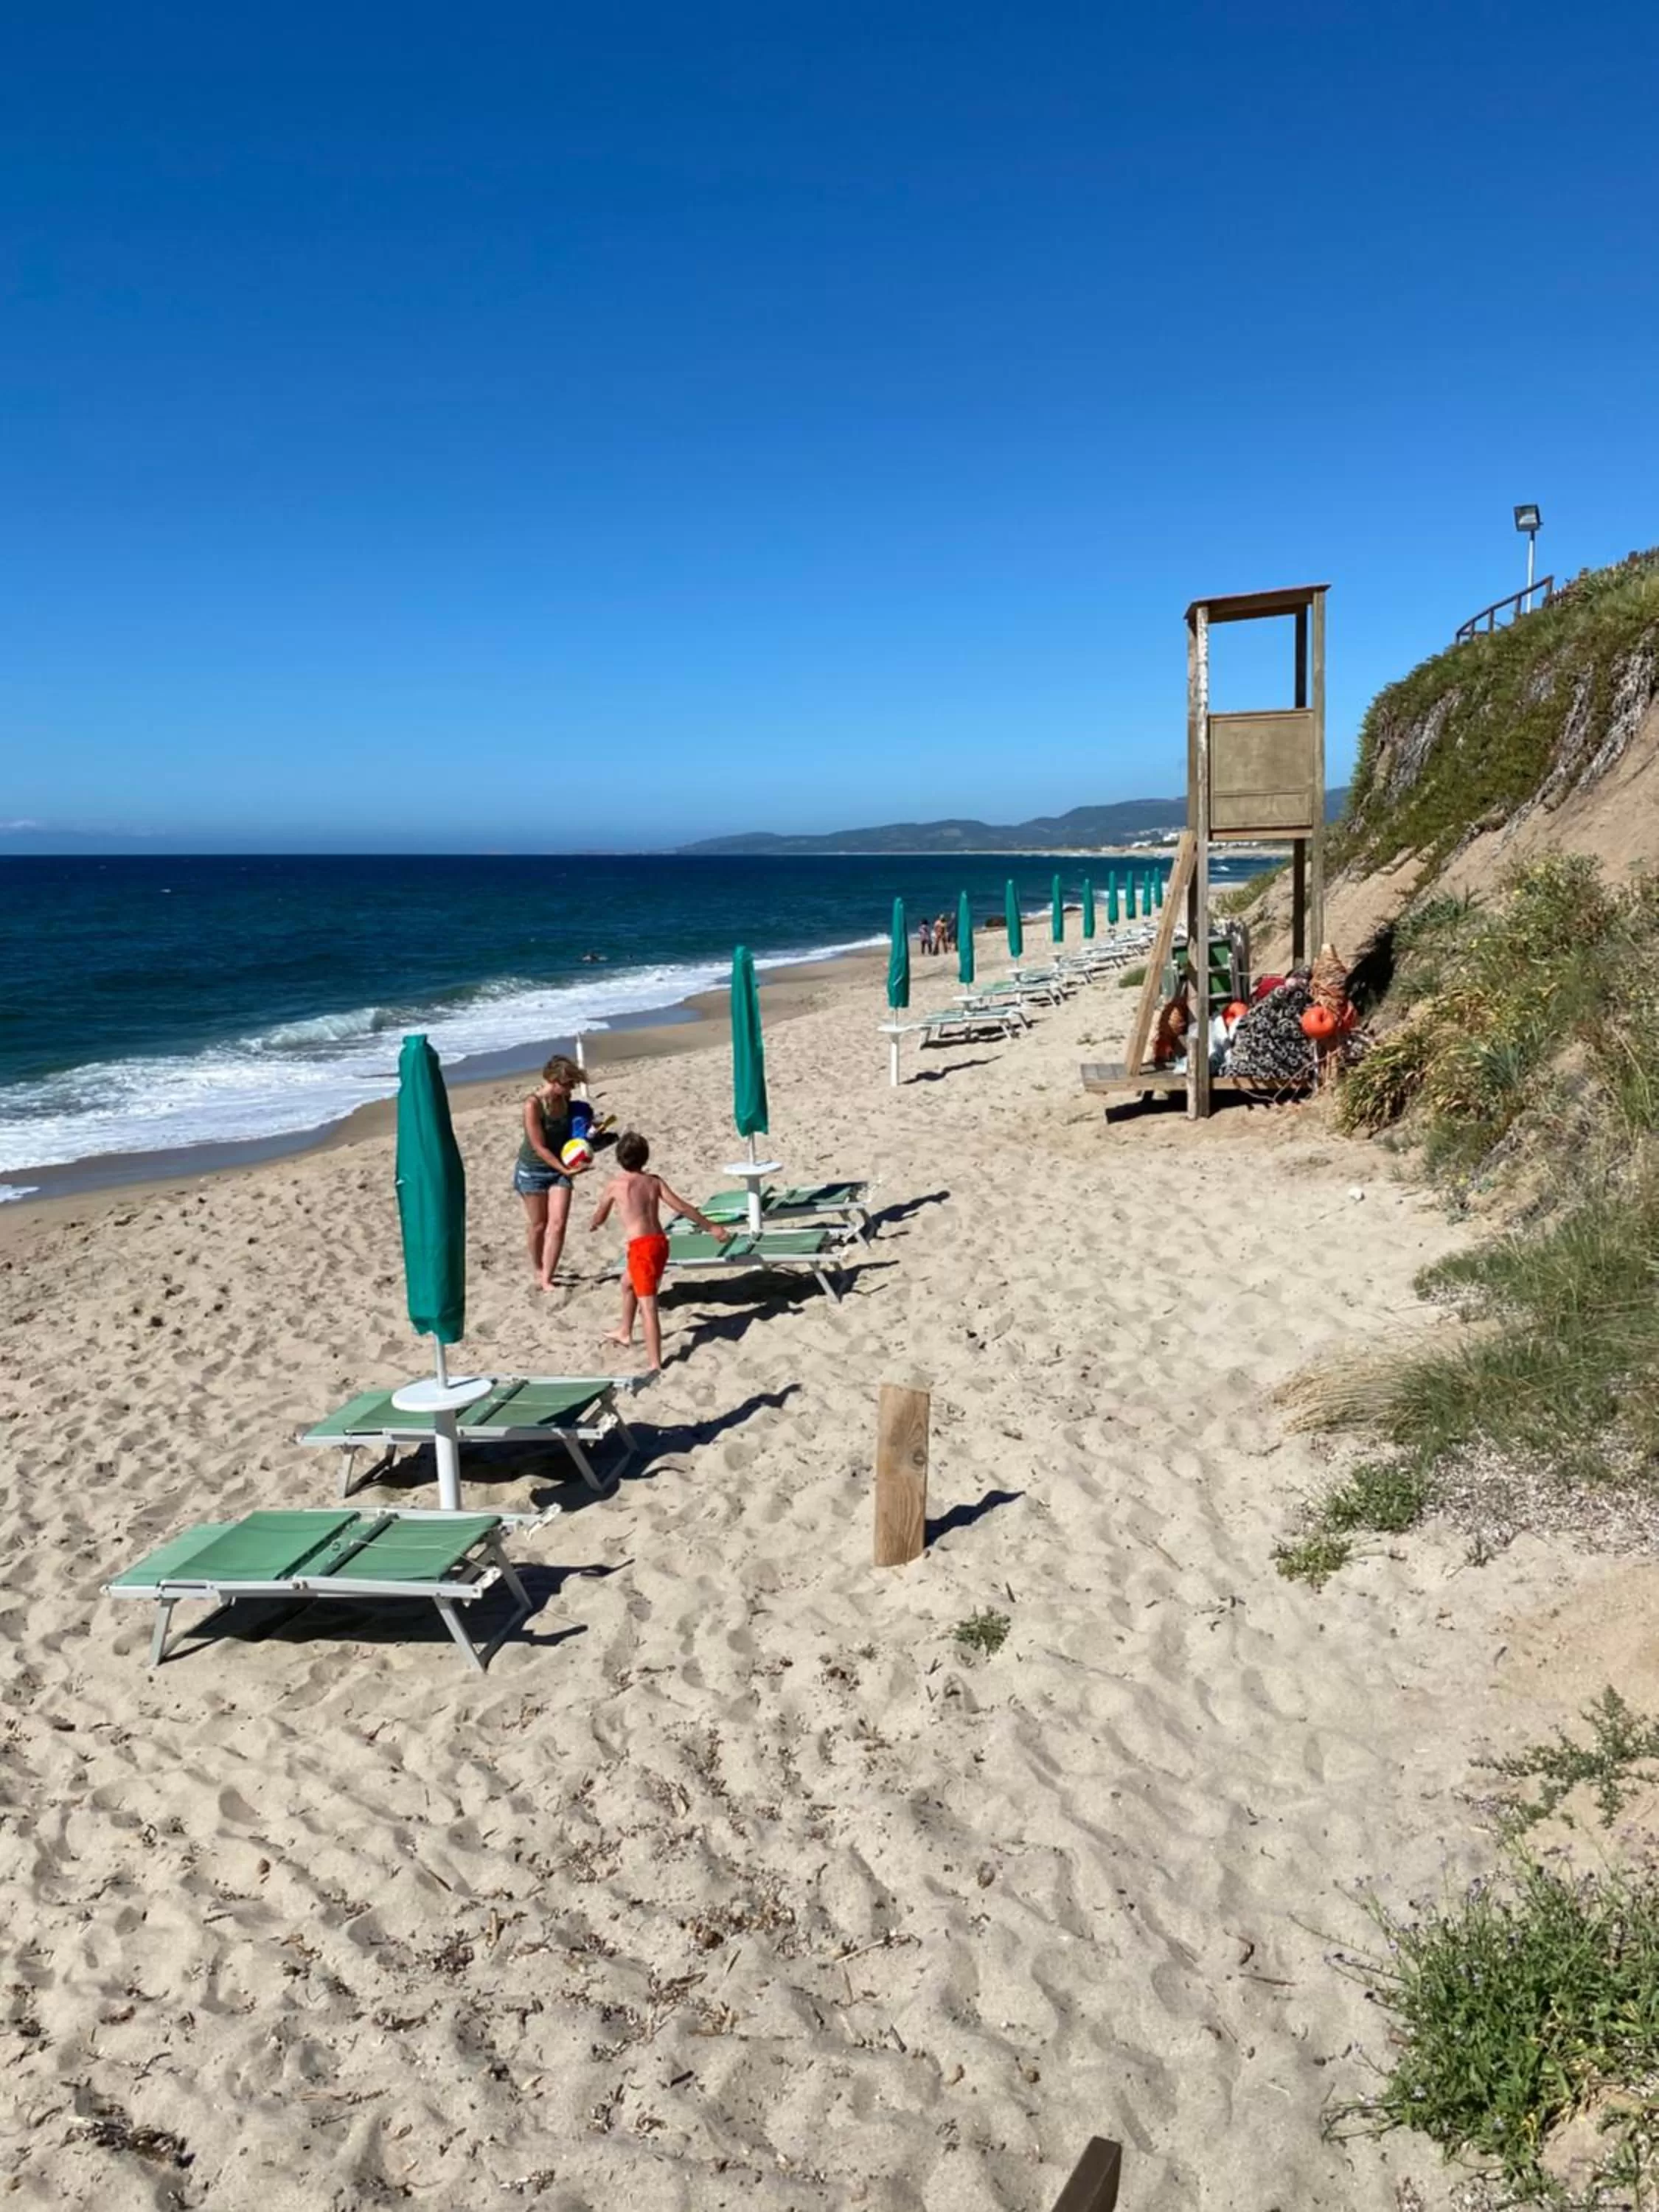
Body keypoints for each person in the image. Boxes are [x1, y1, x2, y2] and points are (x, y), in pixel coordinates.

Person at [589, 1130, 729, 1371]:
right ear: (645, 1158)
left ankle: (655, 1363)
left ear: (619, 1158)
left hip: (642, 1248)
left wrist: (594, 1223)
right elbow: (682, 1207)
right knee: (627, 1283)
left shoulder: (615, 1185)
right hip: (659, 1243)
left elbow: (600, 1216)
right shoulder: (654, 1182)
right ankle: (624, 1331)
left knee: (648, 1307)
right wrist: (711, 1227)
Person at [514, 1055, 590, 1290]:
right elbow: (539, 1146)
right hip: (533, 1170)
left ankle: (547, 1277)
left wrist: (588, 1138)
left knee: (558, 1224)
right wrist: (564, 1168)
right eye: (568, 1084)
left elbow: (572, 1134)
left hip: (559, 1170)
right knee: (539, 1224)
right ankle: (538, 1267)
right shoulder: (533, 1105)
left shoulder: (565, 1099)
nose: (571, 1089)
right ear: (554, 1080)